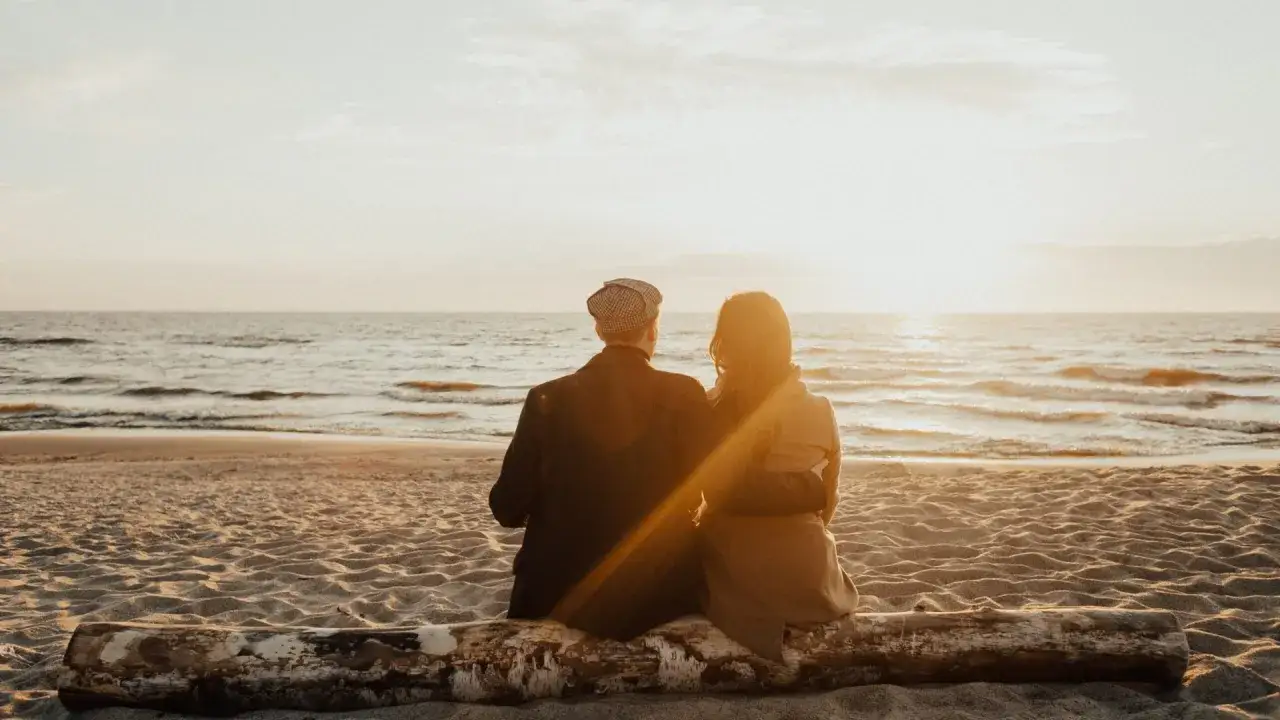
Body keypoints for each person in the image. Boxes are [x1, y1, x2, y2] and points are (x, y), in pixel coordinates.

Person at [489, 279, 829, 641]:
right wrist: (811, 487)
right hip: (650, 601)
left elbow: (506, 508)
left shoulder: (545, 399)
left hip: (549, 596)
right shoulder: (682, 394)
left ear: (599, 330)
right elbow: (729, 488)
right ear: (652, 329)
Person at [697, 291, 859, 660]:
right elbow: (828, 505)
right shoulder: (819, 409)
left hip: (736, 581)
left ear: (726, 344)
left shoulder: (709, 408)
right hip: (810, 581)